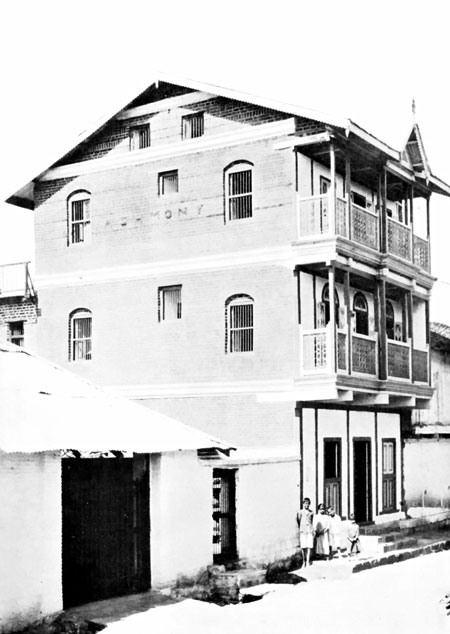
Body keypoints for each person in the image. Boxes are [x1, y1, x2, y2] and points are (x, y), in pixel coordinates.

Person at [296, 497, 314, 566]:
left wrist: (312, 530)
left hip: (309, 530)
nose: (307, 505)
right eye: (305, 503)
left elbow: (311, 521)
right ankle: (304, 561)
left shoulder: (311, 512)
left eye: (308, 504)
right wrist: (301, 528)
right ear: (303, 504)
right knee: (303, 547)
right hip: (303, 531)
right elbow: (298, 520)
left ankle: (308, 561)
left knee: (309, 546)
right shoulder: (300, 512)